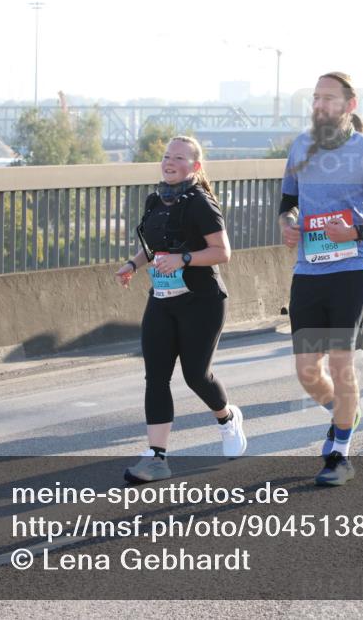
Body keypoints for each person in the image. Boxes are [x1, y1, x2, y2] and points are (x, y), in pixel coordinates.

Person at [278, 72, 363, 486]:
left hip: (351, 269)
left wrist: (355, 232)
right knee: (307, 372)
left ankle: (340, 454)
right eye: (316, 98)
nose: (319, 105)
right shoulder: (301, 145)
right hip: (308, 269)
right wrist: (288, 224)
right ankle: (344, 412)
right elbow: (288, 203)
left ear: (349, 106)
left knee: (340, 361)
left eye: (328, 98)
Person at [115, 136, 246, 483]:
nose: (169, 162)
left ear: (195, 167)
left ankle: (227, 417)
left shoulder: (201, 203)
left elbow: (222, 252)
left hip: (201, 302)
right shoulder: (155, 199)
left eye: (178, 158)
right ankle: (156, 456)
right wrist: (132, 264)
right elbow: (155, 249)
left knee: (195, 375)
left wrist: (184, 259)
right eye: (166, 156)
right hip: (161, 300)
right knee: (156, 376)